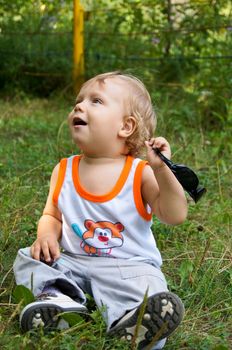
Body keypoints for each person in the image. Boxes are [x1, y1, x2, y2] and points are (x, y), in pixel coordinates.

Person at [13, 71, 188, 349]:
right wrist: (45, 234)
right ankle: (58, 301)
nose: (79, 106)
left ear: (126, 126)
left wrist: (161, 169)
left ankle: (134, 322)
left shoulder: (139, 172)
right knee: (27, 258)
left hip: (128, 267)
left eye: (96, 101)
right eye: (78, 101)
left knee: (150, 284)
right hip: (72, 260)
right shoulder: (64, 169)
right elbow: (51, 214)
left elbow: (174, 214)